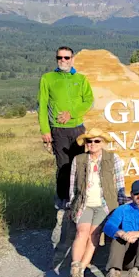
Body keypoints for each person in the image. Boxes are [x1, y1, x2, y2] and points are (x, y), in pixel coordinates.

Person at [38, 46, 94, 260]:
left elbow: (88, 100)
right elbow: (42, 104)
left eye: (66, 57)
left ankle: (81, 195)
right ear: (56, 59)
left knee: (81, 163)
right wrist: (45, 131)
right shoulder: (48, 78)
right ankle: (64, 201)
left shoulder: (80, 79)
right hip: (58, 130)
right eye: (59, 57)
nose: (63, 60)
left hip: (77, 127)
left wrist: (72, 113)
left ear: (72, 58)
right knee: (63, 166)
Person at [64, 128, 127, 277]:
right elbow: (73, 185)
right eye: (89, 141)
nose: (92, 144)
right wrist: (72, 204)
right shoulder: (78, 160)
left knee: (94, 234)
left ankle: (81, 269)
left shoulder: (113, 158)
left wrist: (121, 204)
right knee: (81, 232)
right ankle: (75, 266)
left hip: (104, 204)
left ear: (103, 143)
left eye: (96, 141)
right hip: (84, 203)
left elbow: (120, 182)